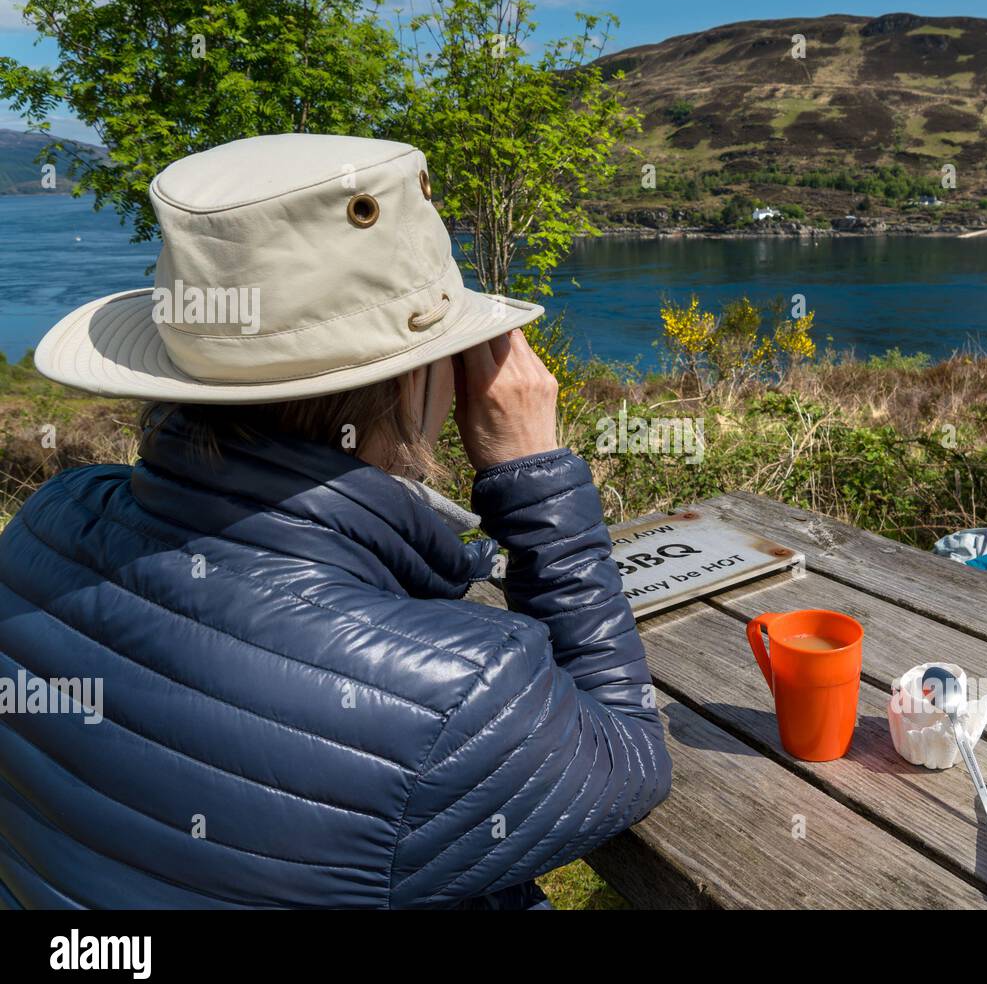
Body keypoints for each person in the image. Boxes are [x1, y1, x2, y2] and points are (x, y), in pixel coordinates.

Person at [0, 134, 671, 909]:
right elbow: (626, 752)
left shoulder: (43, 528)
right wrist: (536, 480)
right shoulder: (455, 695)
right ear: (421, 377)